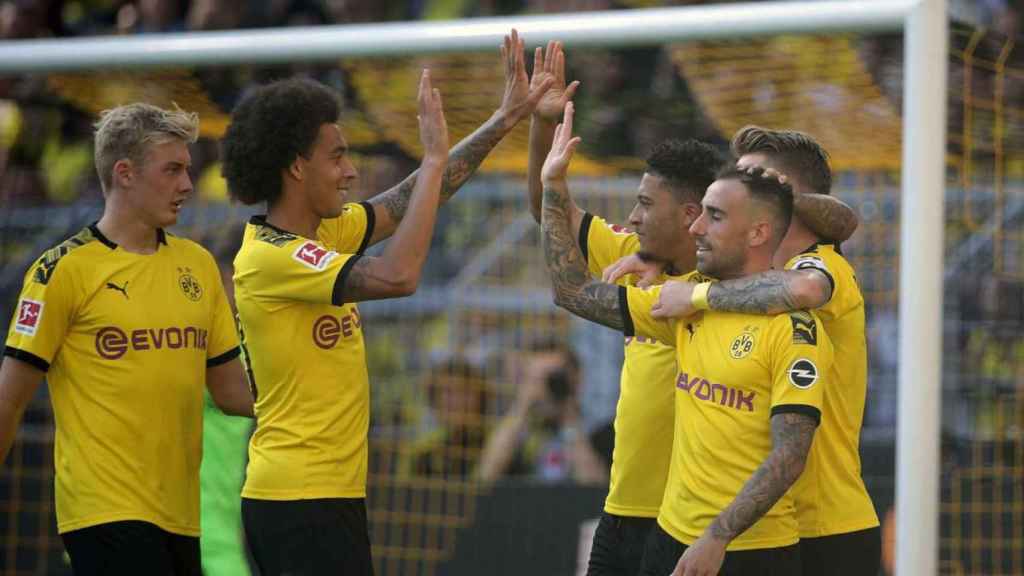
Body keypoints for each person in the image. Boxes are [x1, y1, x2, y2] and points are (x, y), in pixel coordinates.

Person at [220, 30, 550, 575]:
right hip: (297, 500)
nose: (351, 171)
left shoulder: (322, 235)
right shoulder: (271, 257)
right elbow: (399, 276)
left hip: (326, 495)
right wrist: (435, 156)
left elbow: (411, 197)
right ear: (296, 167)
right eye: (338, 156)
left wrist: (503, 121)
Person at [523, 42, 849, 576]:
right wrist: (546, 145)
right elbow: (563, 262)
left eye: (647, 205)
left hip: (731, 532)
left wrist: (697, 293)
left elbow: (816, 269)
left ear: (698, 213)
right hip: (633, 513)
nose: (632, 217)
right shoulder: (649, 273)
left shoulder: (759, 302)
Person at [0, 103, 253, 575]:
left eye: (188, 170)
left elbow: (231, 390)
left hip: (181, 516)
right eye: (173, 170)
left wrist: (306, 398)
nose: (187, 185)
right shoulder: (62, 272)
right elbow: (10, 400)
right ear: (125, 174)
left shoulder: (197, 265)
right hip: (103, 512)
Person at [616, 126, 881, 576]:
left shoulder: (824, 265)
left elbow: (805, 288)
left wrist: (695, 298)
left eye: (751, 177)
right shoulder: (745, 274)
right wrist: (659, 256)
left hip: (826, 525)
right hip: (762, 524)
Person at [477, 340, 608, 484]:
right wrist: (522, 406)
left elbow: (595, 486)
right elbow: (485, 476)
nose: (546, 386)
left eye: (553, 378)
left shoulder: (600, 429)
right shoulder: (516, 431)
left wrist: (569, 420)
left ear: (576, 378)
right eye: (536, 378)